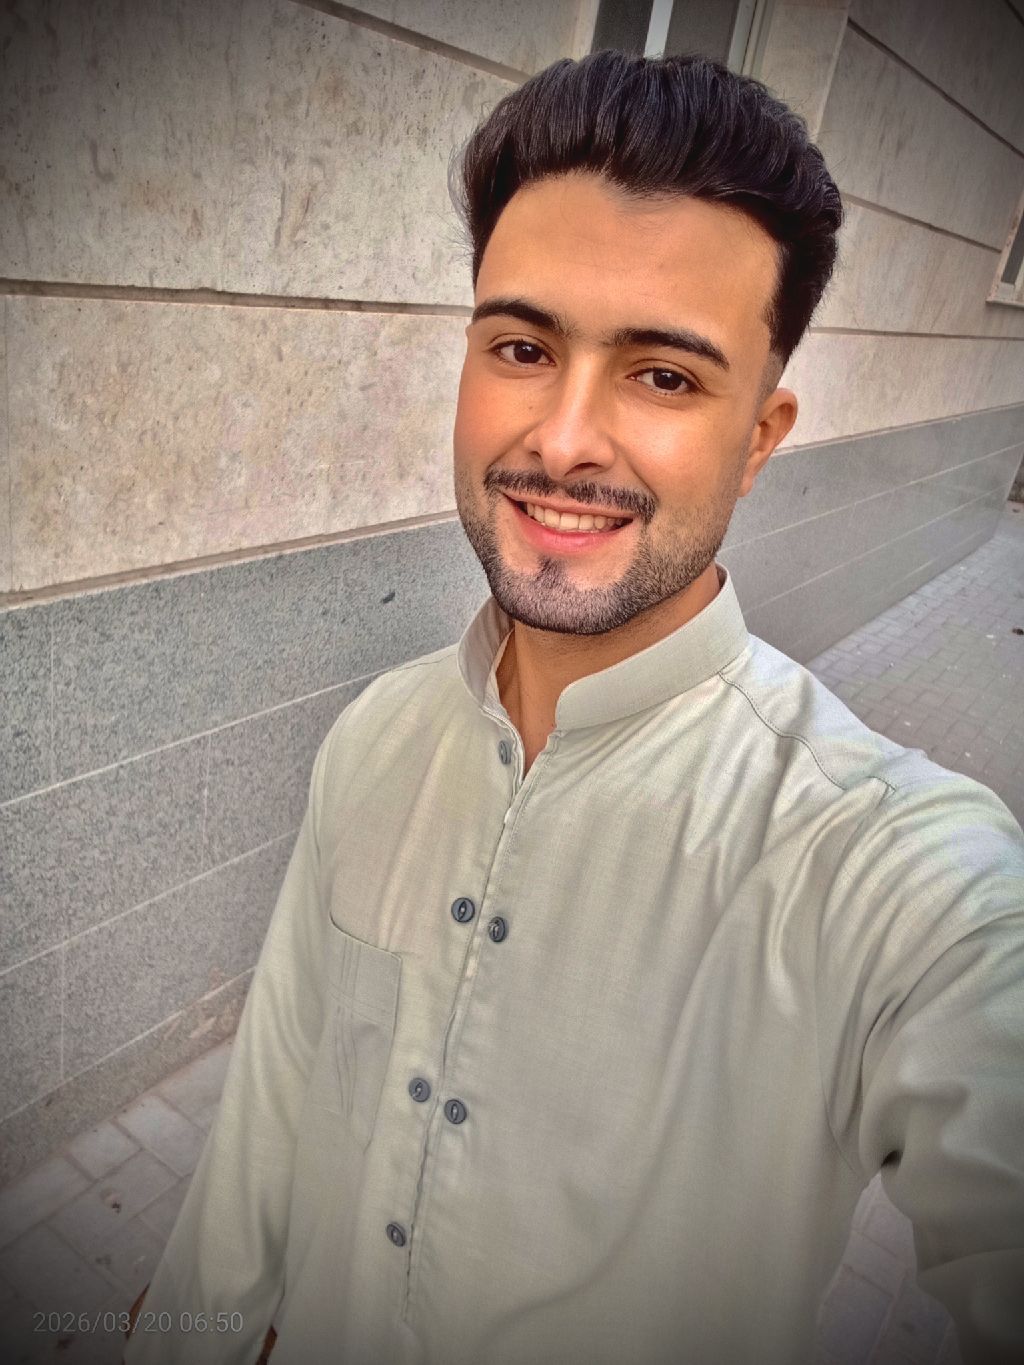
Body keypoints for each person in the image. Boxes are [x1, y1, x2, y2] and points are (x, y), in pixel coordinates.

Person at [123, 48, 1024, 1365]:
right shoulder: (375, 736)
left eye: (664, 375)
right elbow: (272, 1108)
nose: (560, 439)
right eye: (523, 347)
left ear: (760, 438)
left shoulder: (894, 874)